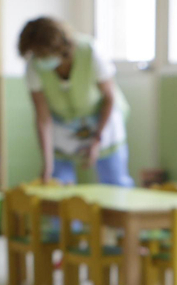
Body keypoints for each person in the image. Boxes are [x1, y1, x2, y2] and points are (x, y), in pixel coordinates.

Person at [19, 17, 131, 186]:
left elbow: (109, 98)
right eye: (35, 54)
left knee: (115, 181)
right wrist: (47, 163)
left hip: (102, 118)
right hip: (63, 124)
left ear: (58, 46)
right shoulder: (34, 66)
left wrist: (97, 140)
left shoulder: (90, 51)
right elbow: (43, 118)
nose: (39, 58)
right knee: (58, 183)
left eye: (43, 53)